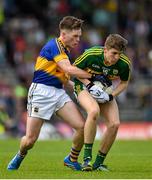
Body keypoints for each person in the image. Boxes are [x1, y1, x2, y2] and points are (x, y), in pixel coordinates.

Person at [7, 16, 94, 171]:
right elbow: (68, 69)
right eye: (75, 36)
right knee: (30, 140)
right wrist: (92, 77)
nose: (78, 40)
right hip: (41, 92)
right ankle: (20, 154)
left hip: (58, 92)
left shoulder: (65, 52)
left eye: (79, 36)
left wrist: (86, 88)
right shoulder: (54, 46)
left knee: (82, 127)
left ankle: (71, 159)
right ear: (64, 33)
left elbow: (65, 80)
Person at [73, 34, 131, 171]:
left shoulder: (124, 63)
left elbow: (124, 83)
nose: (116, 57)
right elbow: (74, 70)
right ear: (105, 50)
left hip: (105, 90)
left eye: (119, 54)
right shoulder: (91, 54)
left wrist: (111, 96)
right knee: (93, 111)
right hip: (82, 85)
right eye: (114, 53)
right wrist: (89, 84)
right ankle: (87, 159)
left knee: (114, 124)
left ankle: (98, 163)